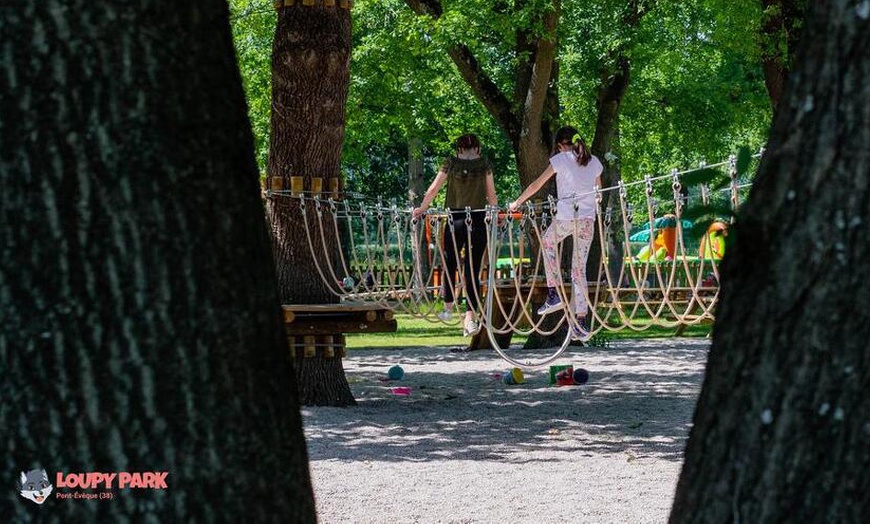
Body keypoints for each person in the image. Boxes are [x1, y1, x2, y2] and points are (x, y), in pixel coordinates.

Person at [508, 126, 603, 340]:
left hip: (567, 218)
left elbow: (536, 184)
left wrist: (518, 202)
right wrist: (592, 200)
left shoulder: (560, 159)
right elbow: (599, 193)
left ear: (560, 145)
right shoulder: (594, 161)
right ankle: (581, 320)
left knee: (548, 242)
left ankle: (554, 293)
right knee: (579, 271)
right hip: (587, 221)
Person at [413, 134, 497, 337]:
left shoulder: (450, 163)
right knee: (472, 268)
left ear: (458, 148)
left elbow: (434, 188)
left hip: (455, 219)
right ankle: (470, 317)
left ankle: (448, 307)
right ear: (477, 148)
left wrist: (422, 208)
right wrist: (495, 214)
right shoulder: (484, 163)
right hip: (477, 218)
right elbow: (491, 194)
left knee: (450, 262)